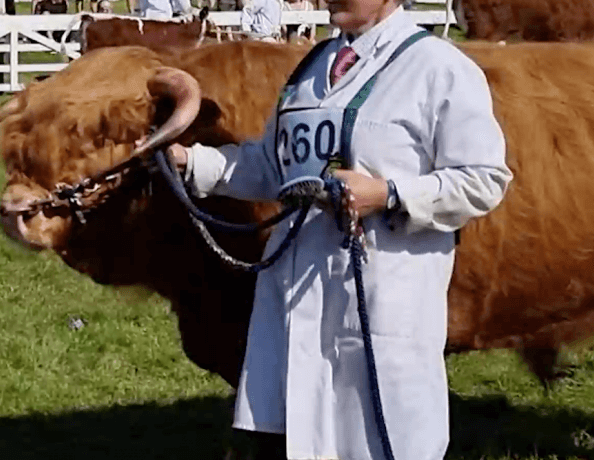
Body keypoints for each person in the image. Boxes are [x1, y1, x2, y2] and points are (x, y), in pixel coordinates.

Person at [158, 0, 513, 456]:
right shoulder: (312, 67)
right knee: (294, 434)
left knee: (375, 436)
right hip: (295, 290)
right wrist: (190, 161)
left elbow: (484, 179)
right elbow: (270, 166)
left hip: (382, 296)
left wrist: (387, 193)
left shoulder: (438, 67)